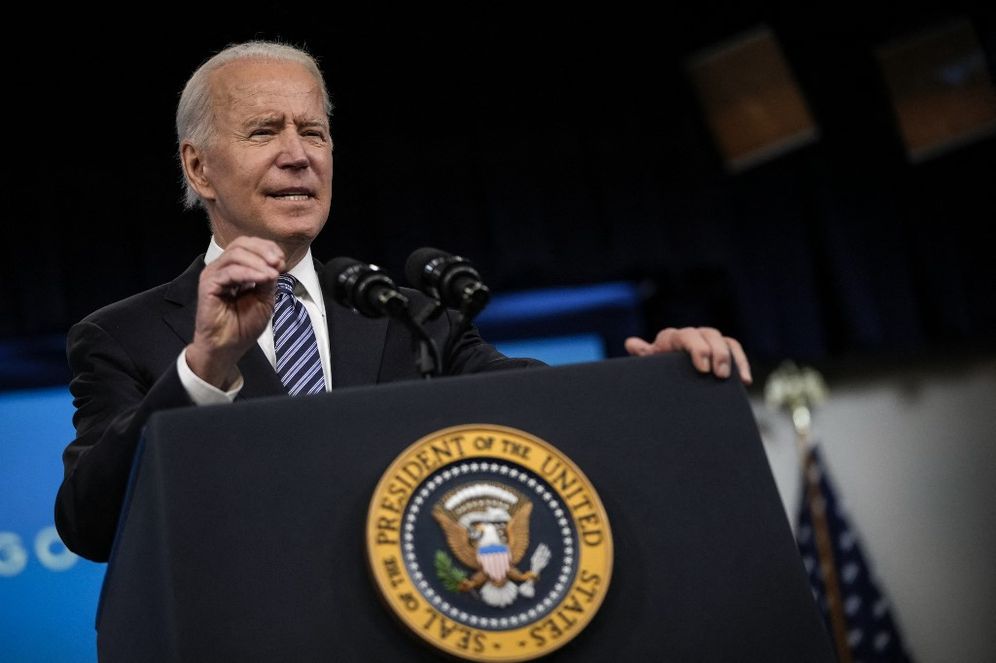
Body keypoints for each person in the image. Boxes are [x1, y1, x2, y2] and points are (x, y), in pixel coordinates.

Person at [54, 41, 751, 563]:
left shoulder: (405, 313)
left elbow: (542, 405)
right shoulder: (125, 335)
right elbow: (89, 524)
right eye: (266, 131)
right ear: (198, 166)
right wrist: (204, 367)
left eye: (315, 132)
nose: (299, 155)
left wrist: (659, 379)